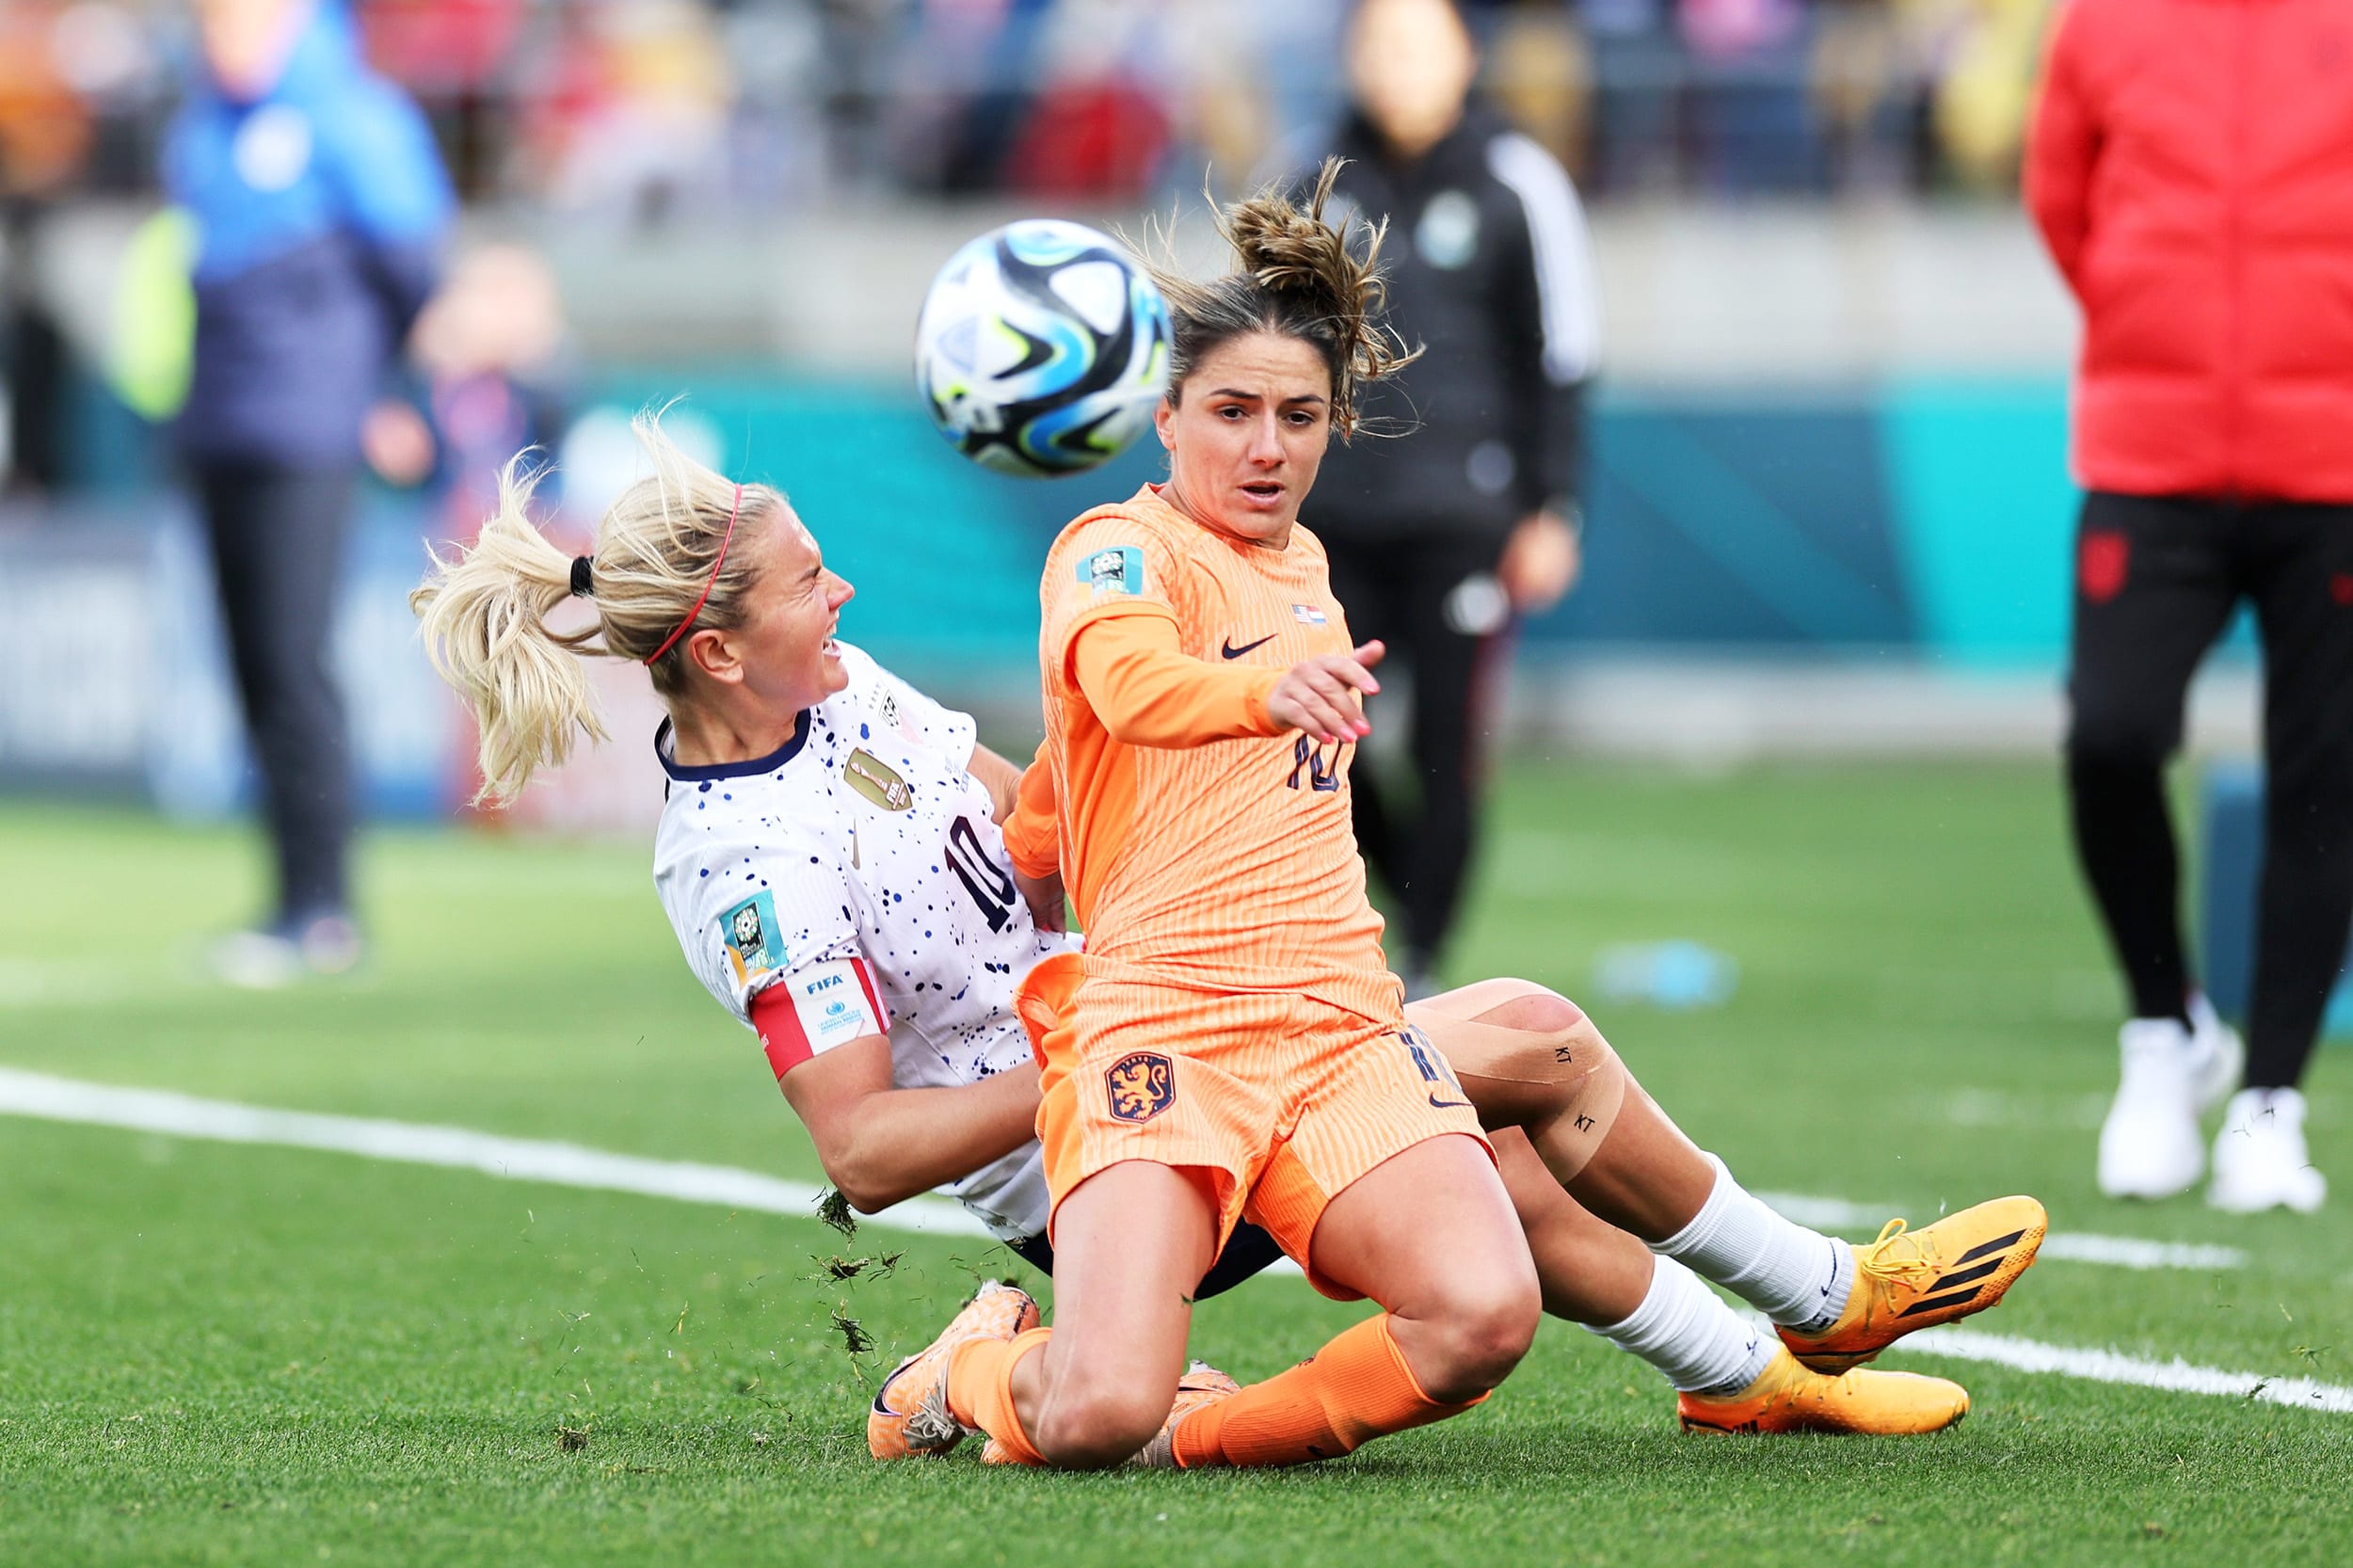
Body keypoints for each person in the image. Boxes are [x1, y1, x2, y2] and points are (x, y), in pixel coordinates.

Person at [410, 413, 2043, 1464]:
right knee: (1503, 1061)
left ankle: (1766, 1354)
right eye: (809, 583)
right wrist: (1086, 1023)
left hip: (1171, 1014)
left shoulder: (844, 695)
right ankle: (971, 1372)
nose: (842, 595)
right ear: (713, 645)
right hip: (1090, 1134)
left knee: (1505, 1133)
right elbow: (870, 1143)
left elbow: (1036, 827)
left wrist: (1167, 746)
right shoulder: (740, 867)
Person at [871, 164, 2040, 1472]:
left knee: (1485, 1310)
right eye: (1234, 410)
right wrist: (1252, 692)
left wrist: (1036, 844)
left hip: (1333, 1026)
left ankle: (1216, 1434)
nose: (1268, 445)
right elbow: (1130, 684)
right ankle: (967, 1365)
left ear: (1334, 425)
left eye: (1300, 415)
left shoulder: (1303, 562)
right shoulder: (1111, 549)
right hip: (1166, 1032)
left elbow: (1072, 774)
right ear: (1164, 416)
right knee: (1091, 1411)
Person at [2026, 0, 2353, 1213]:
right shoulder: (2101, 22)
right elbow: (2061, 201)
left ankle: (2271, 1101)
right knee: (2108, 736)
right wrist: (2140, 309)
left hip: (2333, 460)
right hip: (2150, 453)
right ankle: (2166, 1029)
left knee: (2324, 772)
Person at [1291, 0, 1599, 995]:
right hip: (1329, 523)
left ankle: (1421, 963)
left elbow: (1559, 359)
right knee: (1318, 739)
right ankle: (1387, 908)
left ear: (1465, 54)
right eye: (1381, 46)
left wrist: (1553, 508)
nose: (1400, 68)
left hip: (1466, 518)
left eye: (1421, 45)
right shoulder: (1308, 181)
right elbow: (1259, 351)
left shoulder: (1519, 182)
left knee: (1445, 749)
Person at [167, 0, 454, 984]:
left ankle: (324, 905)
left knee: (294, 662)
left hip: (308, 430)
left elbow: (417, 270)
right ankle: (288, 895)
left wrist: (393, 393)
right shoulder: (200, 127)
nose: (221, 33)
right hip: (220, 427)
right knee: (253, 666)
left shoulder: (358, 118)